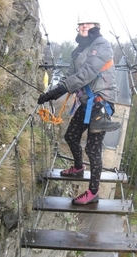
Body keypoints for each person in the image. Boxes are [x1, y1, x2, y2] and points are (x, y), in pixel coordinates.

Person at [37, 12, 120, 205]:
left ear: (96, 25)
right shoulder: (79, 49)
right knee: (71, 136)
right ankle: (78, 167)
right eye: (81, 24)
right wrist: (56, 89)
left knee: (93, 148)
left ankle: (93, 192)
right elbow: (72, 74)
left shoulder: (102, 45)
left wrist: (60, 90)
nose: (83, 26)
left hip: (101, 103)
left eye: (87, 23)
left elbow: (88, 72)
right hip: (86, 101)